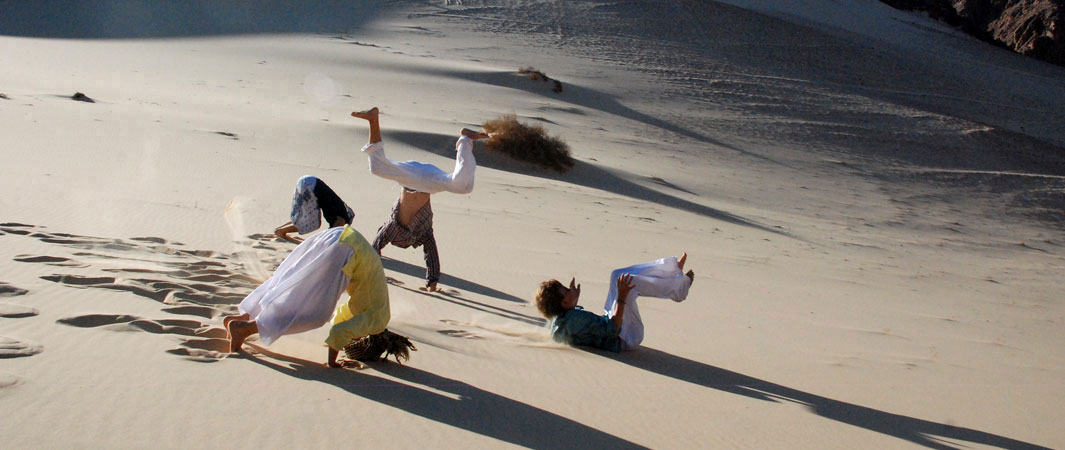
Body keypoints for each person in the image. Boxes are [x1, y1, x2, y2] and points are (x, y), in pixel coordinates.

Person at [351, 107, 490, 292]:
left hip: (409, 177)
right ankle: (465, 139)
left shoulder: (391, 229)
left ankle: (372, 119)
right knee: (463, 186)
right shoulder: (424, 232)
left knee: (377, 167)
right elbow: (432, 257)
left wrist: (369, 272)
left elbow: (374, 249)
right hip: (429, 182)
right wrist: (432, 285)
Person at [225, 225, 390, 368]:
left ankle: (246, 315)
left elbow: (339, 320)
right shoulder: (377, 322)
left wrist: (340, 338)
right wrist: (333, 362)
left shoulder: (377, 309)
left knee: (291, 279)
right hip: (346, 252)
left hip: (341, 235)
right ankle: (245, 329)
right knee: (313, 312)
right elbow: (340, 331)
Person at [535, 253, 695, 352]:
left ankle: (672, 270)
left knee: (617, 275)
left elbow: (574, 329)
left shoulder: (561, 318)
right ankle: (679, 289)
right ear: (564, 303)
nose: (569, 288)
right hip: (625, 338)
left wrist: (573, 300)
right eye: (566, 291)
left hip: (617, 329)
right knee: (628, 283)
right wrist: (622, 297)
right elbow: (612, 329)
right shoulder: (575, 319)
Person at [273, 175, 355, 242]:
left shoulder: (340, 210)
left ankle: (280, 230)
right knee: (312, 224)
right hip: (310, 187)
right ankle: (280, 231)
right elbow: (332, 232)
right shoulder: (341, 218)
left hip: (308, 181)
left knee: (305, 217)